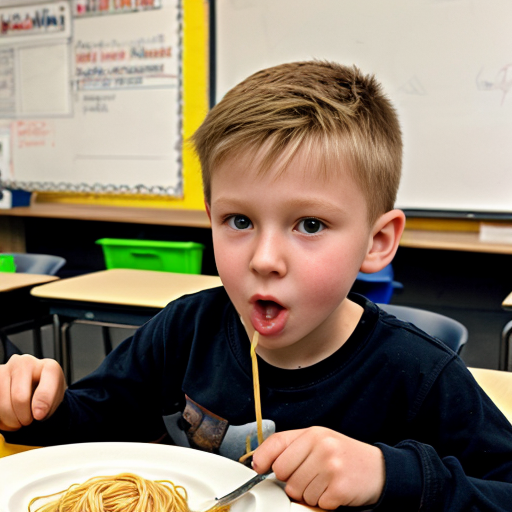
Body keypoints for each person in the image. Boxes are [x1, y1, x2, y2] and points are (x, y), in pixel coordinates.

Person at [1, 61, 512, 511]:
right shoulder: (188, 328)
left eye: (310, 225)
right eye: (239, 221)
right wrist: (36, 407)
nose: (264, 260)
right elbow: (94, 422)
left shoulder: (417, 372)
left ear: (377, 241)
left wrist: (386, 475)